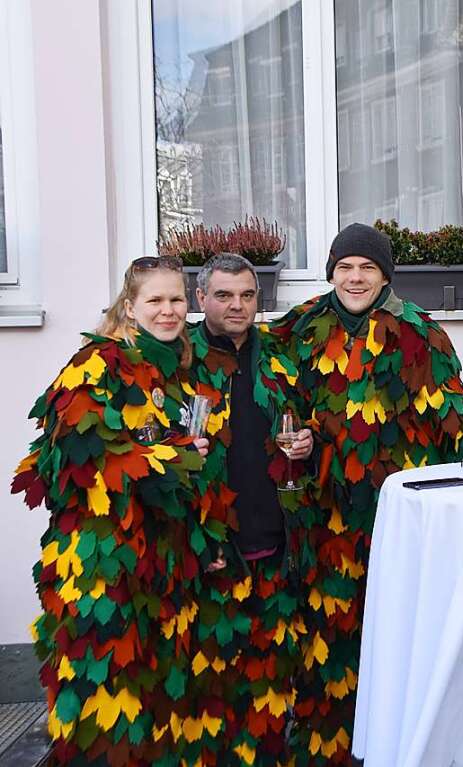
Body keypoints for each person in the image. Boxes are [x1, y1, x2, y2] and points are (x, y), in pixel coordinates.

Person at [270, 223, 463, 765]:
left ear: (385, 275)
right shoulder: (299, 328)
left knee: (397, 629)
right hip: (323, 513)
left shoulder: (418, 333)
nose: (355, 278)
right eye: (345, 267)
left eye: (367, 268)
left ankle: (399, 744)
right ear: (331, 271)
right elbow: (272, 395)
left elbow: (452, 420)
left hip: (396, 512)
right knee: (324, 636)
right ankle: (324, 745)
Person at [13, 256, 212, 765]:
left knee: (157, 691)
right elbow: (73, 463)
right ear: (129, 306)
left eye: (176, 300)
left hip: (160, 554)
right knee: (104, 695)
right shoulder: (97, 363)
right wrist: (171, 455)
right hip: (102, 559)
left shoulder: (176, 368)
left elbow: (167, 452)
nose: (168, 311)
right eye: (156, 301)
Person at [184, 253, 315, 765]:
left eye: (247, 295)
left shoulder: (281, 355)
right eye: (223, 295)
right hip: (212, 550)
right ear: (201, 299)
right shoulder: (179, 360)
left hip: (275, 541)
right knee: (211, 686)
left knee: (270, 682)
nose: (237, 306)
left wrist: (307, 442)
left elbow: (305, 426)